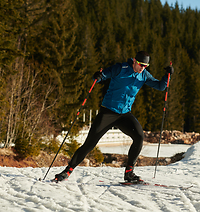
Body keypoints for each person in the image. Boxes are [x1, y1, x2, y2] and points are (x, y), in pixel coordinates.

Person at [54, 51, 174, 183]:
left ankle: (129, 173)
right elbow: (105, 74)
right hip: (108, 112)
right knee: (89, 144)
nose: (142, 68)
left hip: (124, 115)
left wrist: (167, 76)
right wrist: (99, 76)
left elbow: (160, 87)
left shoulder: (144, 75)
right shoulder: (121, 68)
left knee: (139, 136)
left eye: (145, 66)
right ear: (134, 61)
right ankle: (67, 171)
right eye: (140, 64)